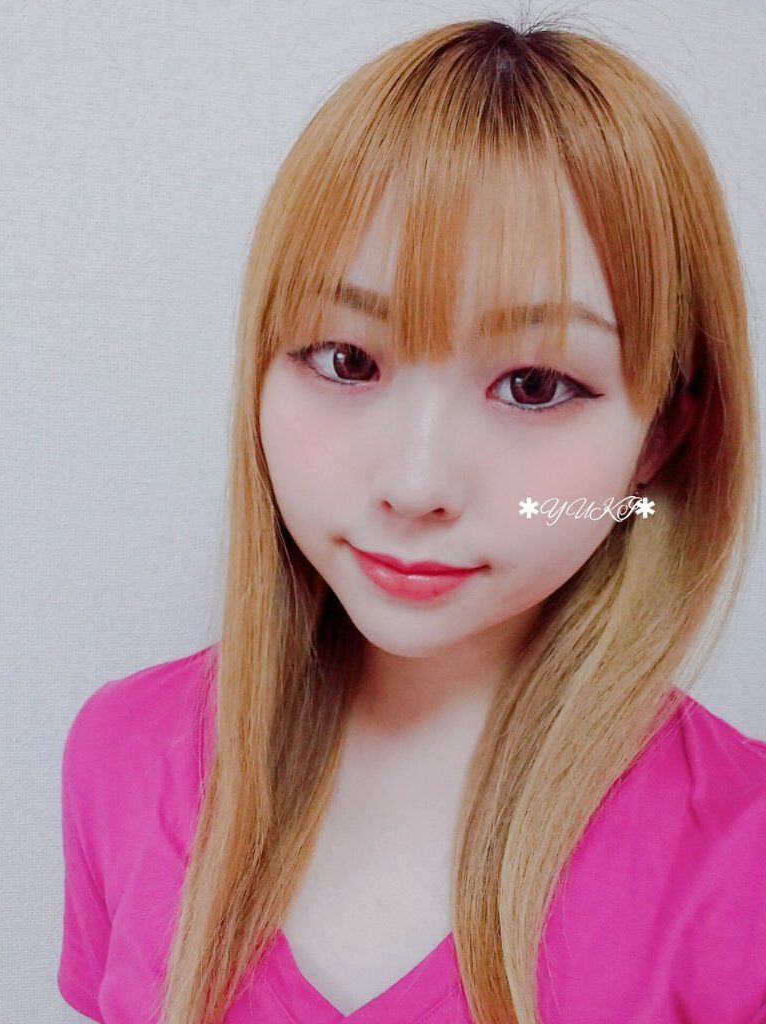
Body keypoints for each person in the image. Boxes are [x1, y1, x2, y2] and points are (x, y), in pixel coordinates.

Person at [58, 15, 766, 1024]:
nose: (416, 481)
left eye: (533, 384)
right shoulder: (125, 751)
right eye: (347, 360)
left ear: (659, 437)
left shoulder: (743, 866)